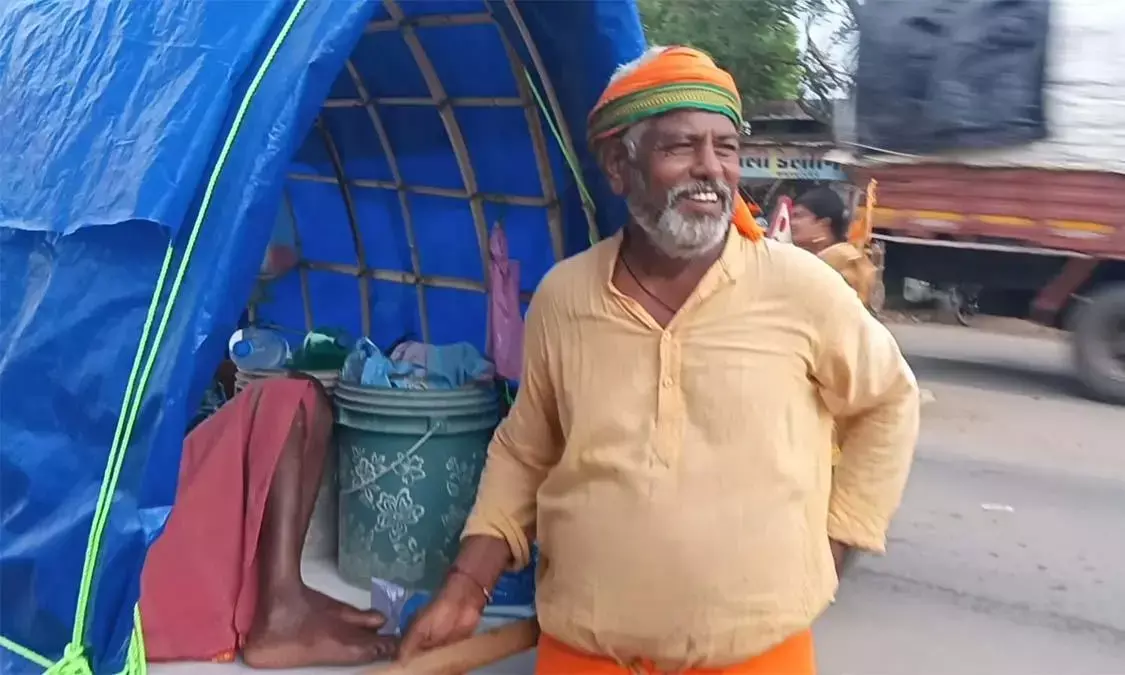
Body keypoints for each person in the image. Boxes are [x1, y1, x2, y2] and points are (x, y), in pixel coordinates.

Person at [399, 46, 920, 675]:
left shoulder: (800, 288)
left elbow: (889, 401)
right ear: (619, 166)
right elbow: (526, 448)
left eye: (725, 148)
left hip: (758, 655)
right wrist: (465, 587)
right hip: (583, 652)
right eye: (680, 148)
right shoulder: (565, 298)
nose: (711, 170)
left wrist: (834, 544)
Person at [140, 372, 397, 668]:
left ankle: (287, 593)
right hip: (122, 575)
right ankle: (280, 611)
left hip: (130, 549)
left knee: (309, 398)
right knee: (284, 398)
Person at [791, 187, 879, 308]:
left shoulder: (845, 261)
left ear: (824, 223)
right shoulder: (816, 259)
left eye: (799, 216)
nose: (792, 222)